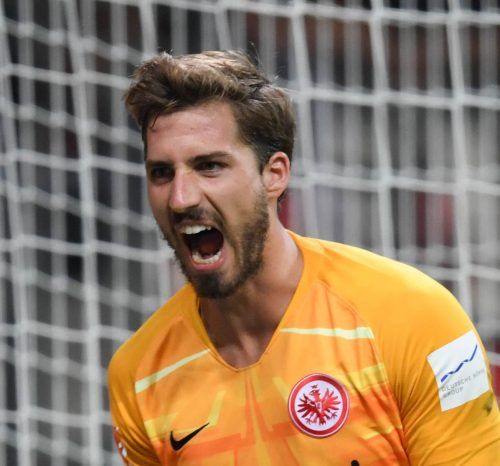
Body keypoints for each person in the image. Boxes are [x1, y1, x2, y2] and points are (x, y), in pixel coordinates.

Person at [108, 50, 500, 466]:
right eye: (161, 173)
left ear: (274, 174)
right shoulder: (139, 375)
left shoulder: (412, 316)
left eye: (209, 166)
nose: (180, 198)